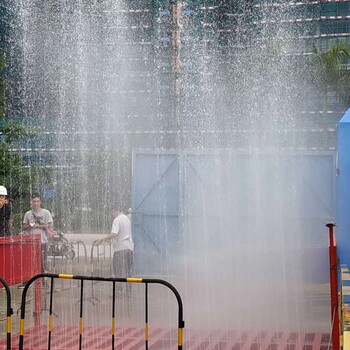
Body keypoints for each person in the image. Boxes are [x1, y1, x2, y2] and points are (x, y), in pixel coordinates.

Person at [97, 209, 134, 294]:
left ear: (115, 211)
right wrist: (110, 240)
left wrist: (101, 240)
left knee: (118, 270)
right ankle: (129, 291)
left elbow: (114, 234)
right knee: (128, 270)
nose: (111, 216)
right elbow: (122, 234)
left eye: (111, 213)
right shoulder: (126, 219)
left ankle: (118, 290)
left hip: (120, 249)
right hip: (129, 247)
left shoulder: (117, 220)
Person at [23, 193, 53, 274]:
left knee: (42, 263)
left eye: (37, 201)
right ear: (31, 202)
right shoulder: (28, 214)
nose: (35, 203)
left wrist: (38, 226)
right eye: (34, 201)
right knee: (29, 262)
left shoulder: (46, 213)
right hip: (30, 242)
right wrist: (32, 225)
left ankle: (42, 280)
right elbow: (24, 226)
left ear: (40, 202)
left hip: (43, 241)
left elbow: (50, 225)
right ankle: (27, 280)